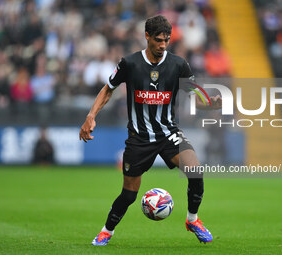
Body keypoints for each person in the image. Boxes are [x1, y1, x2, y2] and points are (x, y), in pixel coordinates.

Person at [79, 15, 222, 246]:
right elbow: (108, 89)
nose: (163, 45)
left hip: (168, 133)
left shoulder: (178, 64)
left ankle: (192, 220)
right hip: (139, 138)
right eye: (158, 40)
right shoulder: (130, 63)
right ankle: (107, 230)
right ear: (147, 36)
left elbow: (196, 95)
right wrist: (91, 115)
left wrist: (210, 103)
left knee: (195, 171)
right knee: (129, 195)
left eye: (167, 40)